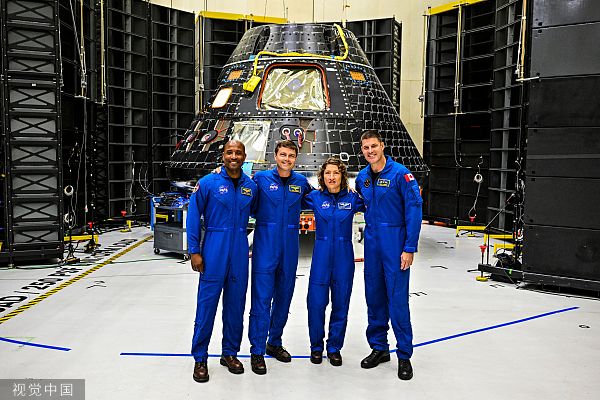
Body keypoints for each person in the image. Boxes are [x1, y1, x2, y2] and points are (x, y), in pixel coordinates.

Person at [187, 140, 258, 383]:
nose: (234, 156)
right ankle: (200, 358)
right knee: (206, 306)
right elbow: (193, 216)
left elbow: (260, 210)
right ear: (223, 155)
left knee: (236, 306)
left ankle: (229, 353)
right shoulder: (208, 183)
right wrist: (194, 251)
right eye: (229, 152)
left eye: (238, 152)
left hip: (239, 248)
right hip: (213, 247)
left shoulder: (251, 186)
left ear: (244, 156)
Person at [355, 130, 423, 380]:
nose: (370, 151)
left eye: (374, 146)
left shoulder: (401, 175)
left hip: (395, 243)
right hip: (372, 243)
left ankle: (404, 355)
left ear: (382, 146)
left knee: (397, 300)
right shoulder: (362, 178)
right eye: (366, 148)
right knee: (374, 297)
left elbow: (414, 211)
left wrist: (409, 247)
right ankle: (379, 348)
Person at [248, 140, 312, 374]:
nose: (287, 159)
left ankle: (274, 342)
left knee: (284, 297)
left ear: (296, 158)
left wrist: (346, 192)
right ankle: (257, 351)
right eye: (283, 154)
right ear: (275, 156)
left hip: (289, 248)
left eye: (291, 156)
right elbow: (245, 199)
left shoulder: (301, 182)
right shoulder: (260, 179)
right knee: (262, 300)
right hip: (265, 246)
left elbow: (319, 199)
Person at [303, 158, 365, 366]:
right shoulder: (314, 197)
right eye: (328, 173)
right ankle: (316, 347)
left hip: (344, 257)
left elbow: (375, 204)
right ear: (322, 176)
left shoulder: (353, 198)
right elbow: (291, 195)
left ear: (342, 176)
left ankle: (334, 348)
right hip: (321, 256)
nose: (331, 177)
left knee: (341, 303)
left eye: (336, 173)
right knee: (315, 303)